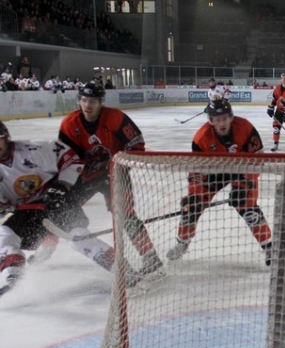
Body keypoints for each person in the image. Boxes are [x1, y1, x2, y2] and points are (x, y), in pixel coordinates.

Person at [0, 121, 130, 296]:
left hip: (59, 203)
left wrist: (60, 187)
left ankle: (126, 272)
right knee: (4, 235)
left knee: (79, 238)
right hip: (29, 212)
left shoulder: (35, 149)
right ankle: (12, 277)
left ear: (6, 137)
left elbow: (73, 160)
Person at [57, 82, 163, 276]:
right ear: (79, 101)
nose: (88, 105)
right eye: (84, 100)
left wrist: (123, 164)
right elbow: (66, 156)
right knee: (63, 210)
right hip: (84, 177)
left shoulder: (115, 118)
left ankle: (150, 256)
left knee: (125, 214)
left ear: (101, 102)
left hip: (115, 173)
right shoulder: (69, 124)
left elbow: (136, 143)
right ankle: (47, 248)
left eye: (93, 101)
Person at [165, 100, 273, 267]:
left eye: (224, 118)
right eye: (216, 119)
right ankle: (182, 243)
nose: (221, 123)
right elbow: (196, 171)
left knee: (247, 206)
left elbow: (257, 160)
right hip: (213, 173)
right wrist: (194, 195)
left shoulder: (245, 128)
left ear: (230, 117)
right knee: (191, 208)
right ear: (211, 120)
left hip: (241, 169)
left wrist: (243, 186)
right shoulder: (201, 138)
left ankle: (269, 248)